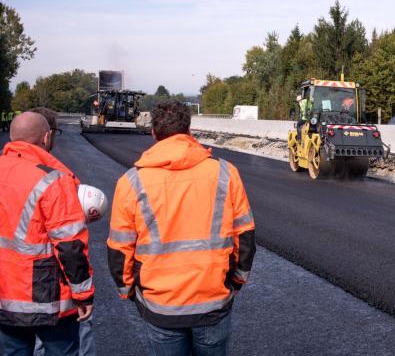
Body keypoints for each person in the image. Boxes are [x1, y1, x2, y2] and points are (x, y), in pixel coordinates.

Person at [107, 101, 255, 355]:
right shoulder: (225, 173)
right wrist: (236, 281)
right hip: (212, 301)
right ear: (189, 129)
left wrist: (129, 291)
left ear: (154, 133)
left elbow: (120, 248)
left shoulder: (131, 182)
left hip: (161, 306)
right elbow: (245, 237)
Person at [0, 112, 94, 355]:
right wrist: (83, 295)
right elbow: (70, 245)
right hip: (46, 297)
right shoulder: (53, 181)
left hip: (5, 297)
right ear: (46, 137)